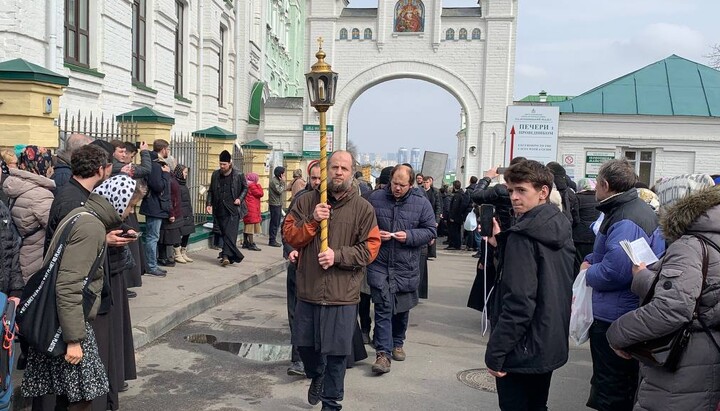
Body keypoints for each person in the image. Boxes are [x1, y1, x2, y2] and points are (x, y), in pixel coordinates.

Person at [21, 148, 133, 410]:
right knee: (80, 395)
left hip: (64, 316)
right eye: (129, 206)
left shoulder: (83, 211)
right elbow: (69, 283)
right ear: (100, 170)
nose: (129, 212)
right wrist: (73, 339)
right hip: (66, 319)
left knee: (72, 393)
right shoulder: (84, 215)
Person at [282, 151, 381, 411]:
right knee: (305, 347)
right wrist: (313, 220)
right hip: (309, 290)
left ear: (351, 173)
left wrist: (338, 255)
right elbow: (290, 235)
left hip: (342, 295)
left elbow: (371, 248)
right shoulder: (306, 202)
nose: (339, 172)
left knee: (337, 356)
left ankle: (331, 403)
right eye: (334, 167)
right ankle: (316, 375)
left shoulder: (363, 208)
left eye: (344, 168)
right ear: (326, 171)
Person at [606, 186, 720, 410]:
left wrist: (617, 333)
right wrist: (645, 279)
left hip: (684, 363)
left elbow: (672, 308)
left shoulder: (690, 246)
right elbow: (704, 293)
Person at [484, 160, 575, 410]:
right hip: (548, 339)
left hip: (522, 346)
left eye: (521, 190)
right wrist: (500, 244)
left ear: (543, 192)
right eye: (511, 190)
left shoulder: (523, 237)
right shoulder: (558, 223)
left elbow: (519, 302)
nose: (514, 197)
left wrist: (496, 352)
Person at [581, 159, 665, 411]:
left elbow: (614, 273)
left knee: (613, 388)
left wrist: (587, 273)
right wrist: (590, 259)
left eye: (597, 181)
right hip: (623, 310)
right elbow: (611, 255)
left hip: (616, 315)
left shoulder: (626, 218)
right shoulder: (630, 208)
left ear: (605, 184)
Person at [367, 164, 437, 374]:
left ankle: (398, 342)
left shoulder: (421, 203)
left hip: (406, 264)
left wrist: (409, 236)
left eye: (402, 185)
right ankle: (382, 354)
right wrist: (376, 234)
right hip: (380, 263)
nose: (397, 188)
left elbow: (430, 230)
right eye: (395, 183)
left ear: (411, 184)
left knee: (401, 308)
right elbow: (362, 224)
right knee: (383, 307)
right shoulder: (375, 199)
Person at [282, 163, 321, 376]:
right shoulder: (300, 201)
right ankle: (297, 360)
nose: (316, 182)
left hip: (320, 269)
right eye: (313, 178)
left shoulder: (330, 203)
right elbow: (286, 230)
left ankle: (316, 361)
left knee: (315, 317)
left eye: (319, 178)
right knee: (296, 314)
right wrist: (290, 250)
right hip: (298, 267)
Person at [2, 155, 56, 282]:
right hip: (37, 258)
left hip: (23, 256)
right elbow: (55, 228)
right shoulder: (39, 194)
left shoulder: (14, 191)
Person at [359, 166, 393, 345]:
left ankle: (365, 330)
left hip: (366, 253)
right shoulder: (395, 200)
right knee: (383, 299)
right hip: (385, 256)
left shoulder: (365, 198)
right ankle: (380, 336)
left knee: (364, 296)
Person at [206, 150, 248, 266]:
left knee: (230, 234)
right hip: (219, 209)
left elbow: (245, 188)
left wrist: (240, 198)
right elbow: (210, 191)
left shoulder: (238, 175)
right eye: (220, 164)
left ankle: (225, 256)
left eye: (224, 164)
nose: (222, 166)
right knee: (224, 234)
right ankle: (230, 256)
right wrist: (209, 204)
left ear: (230, 163)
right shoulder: (215, 174)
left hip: (233, 210)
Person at [139, 139, 171, 277]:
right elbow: (158, 186)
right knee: (152, 237)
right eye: (167, 149)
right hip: (154, 205)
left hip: (154, 205)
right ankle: (151, 266)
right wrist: (166, 174)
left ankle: (152, 264)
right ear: (163, 149)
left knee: (153, 236)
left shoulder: (155, 164)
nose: (168, 152)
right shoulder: (156, 166)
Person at [572, 178, 600, 274]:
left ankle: (578, 283)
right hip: (595, 235)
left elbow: (575, 218)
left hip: (579, 236)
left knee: (579, 262)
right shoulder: (599, 198)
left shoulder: (577, 198)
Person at [173, 165, 195, 263]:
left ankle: (183, 252)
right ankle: (177, 253)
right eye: (185, 172)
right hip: (180, 213)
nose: (186, 175)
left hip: (187, 212)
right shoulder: (176, 184)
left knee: (187, 232)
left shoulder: (183, 183)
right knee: (178, 233)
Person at [547, 162, 579, 226]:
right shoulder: (570, 192)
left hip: (550, 225)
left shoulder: (546, 191)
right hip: (566, 224)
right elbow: (575, 214)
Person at [242, 172, 263, 252]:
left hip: (248, 207)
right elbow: (260, 193)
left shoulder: (246, 185)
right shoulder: (252, 185)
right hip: (252, 208)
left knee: (247, 226)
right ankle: (251, 244)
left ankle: (245, 242)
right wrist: (259, 186)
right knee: (250, 227)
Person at [422, 176, 442, 260]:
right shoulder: (420, 191)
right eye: (424, 182)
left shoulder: (435, 192)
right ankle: (424, 252)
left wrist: (437, 220)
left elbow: (438, 206)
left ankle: (431, 253)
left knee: (432, 234)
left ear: (430, 183)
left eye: (427, 182)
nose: (425, 184)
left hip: (432, 215)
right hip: (423, 215)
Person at [268, 166, 285, 247]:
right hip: (274, 204)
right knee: (274, 223)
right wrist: (283, 182)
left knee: (277, 222)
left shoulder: (277, 180)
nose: (284, 175)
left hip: (278, 204)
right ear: (280, 174)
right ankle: (272, 240)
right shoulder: (274, 181)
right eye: (283, 174)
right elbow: (279, 191)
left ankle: (273, 239)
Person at [445, 181, 465, 250]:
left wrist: (452, 217)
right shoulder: (462, 194)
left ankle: (454, 245)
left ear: (454, 186)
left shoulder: (457, 195)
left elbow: (454, 207)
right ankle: (457, 244)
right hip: (459, 217)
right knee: (458, 231)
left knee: (454, 231)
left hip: (455, 217)